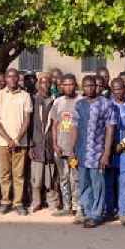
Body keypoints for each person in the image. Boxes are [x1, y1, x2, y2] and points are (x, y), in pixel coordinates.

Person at [73, 76, 116, 228]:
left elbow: (110, 129)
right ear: (82, 87)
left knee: (98, 184)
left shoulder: (106, 104)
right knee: (84, 183)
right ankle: (88, 210)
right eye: (86, 86)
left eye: (92, 86)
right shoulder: (79, 105)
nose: (89, 89)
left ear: (96, 87)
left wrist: (106, 153)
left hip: (98, 153)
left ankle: (96, 214)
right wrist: (73, 151)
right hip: (82, 152)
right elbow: (75, 128)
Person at [0, 69, 32, 215]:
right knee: (4, 174)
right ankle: (5, 202)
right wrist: (9, 140)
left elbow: (27, 120)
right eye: (9, 76)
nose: (12, 79)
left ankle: (18, 203)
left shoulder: (25, 96)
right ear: (5, 79)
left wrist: (16, 139)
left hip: (20, 142)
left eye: (15, 76)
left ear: (18, 78)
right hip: (2, 142)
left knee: (19, 174)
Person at [50, 74, 81, 219]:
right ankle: (67, 206)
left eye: (71, 84)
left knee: (75, 177)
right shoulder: (58, 102)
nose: (68, 87)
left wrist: (77, 147)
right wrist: (55, 144)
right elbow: (54, 125)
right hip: (60, 148)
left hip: (74, 149)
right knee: (63, 177)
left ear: (75, 85)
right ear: (61, 86)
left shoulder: (81, 101)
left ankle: (78, 206)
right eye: (66, 84)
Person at [27, 73, 59, 213]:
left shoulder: (55, 101)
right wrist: (29, 145)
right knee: (36, 176)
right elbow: (27, 125)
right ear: (38, 84)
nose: (44, 85)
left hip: (50, 145)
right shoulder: (33, 100)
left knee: (50, 175)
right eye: (42, 82)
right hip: (37, 143)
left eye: (47, 83)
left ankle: (52, 201)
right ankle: (36, 201)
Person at [107, 79, 125, 221]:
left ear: (124, 89)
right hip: (109, 150)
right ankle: (110, 210)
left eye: (119, 89)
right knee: (109, 181)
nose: (117, 92)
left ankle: (123, 213)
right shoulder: (107, 105)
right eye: (114, 90)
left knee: (124, 182)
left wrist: (123, 144)